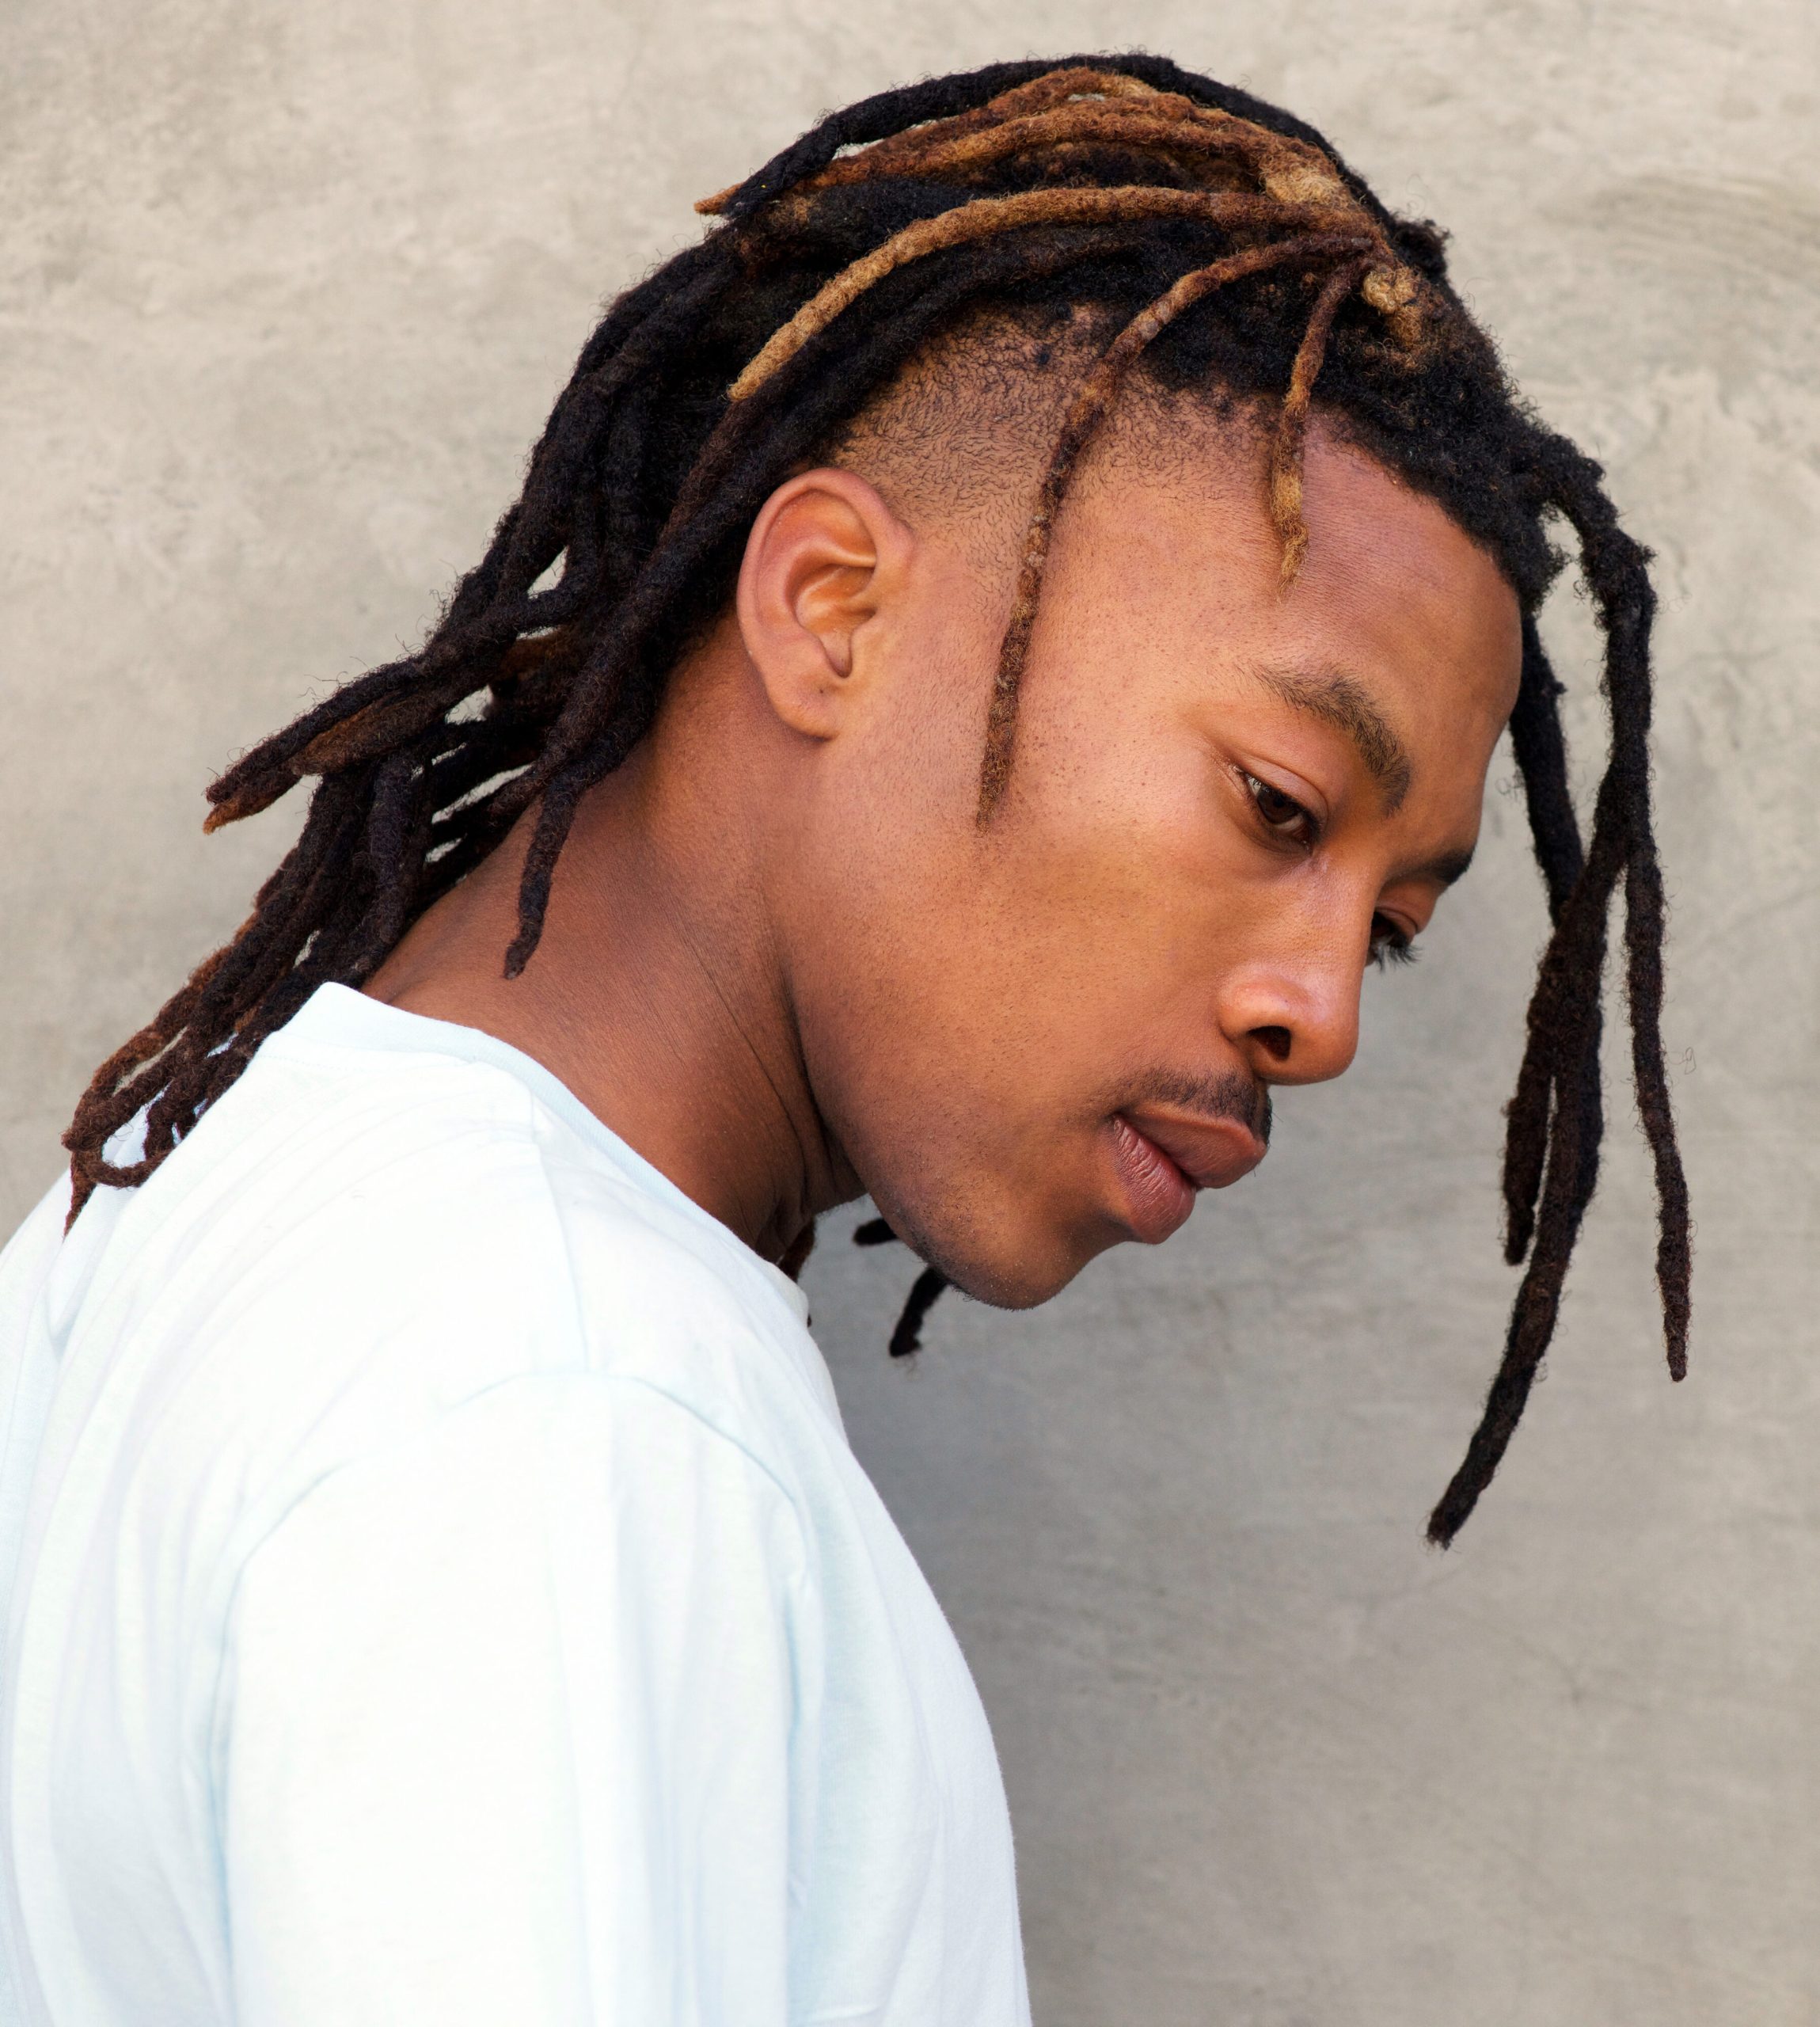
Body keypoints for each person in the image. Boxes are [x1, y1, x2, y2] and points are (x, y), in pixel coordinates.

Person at [0, 54, 1689, 2026]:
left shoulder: (176, 1207)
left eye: (1385, 933)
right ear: (831, 610)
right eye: (1276, 804)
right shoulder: (566, 1406)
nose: (1312, 1015)